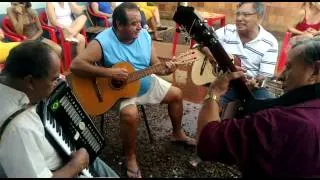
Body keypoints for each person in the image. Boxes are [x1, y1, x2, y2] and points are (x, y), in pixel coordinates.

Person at [70, 2, 195, 178]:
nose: (140, 27)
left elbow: (155, 64)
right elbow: (76, 65)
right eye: (134, 23)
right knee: (130, 115)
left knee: (177, 94)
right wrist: (109, 72)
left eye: (140, 22)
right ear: (119, 25)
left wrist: (167, 68)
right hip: (116, 92)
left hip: (144, 82)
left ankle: (177, 133)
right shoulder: (103, 41)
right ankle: (130, 156)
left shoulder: (144, 36)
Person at [196, 38, 320, 178]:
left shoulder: (285, 121)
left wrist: (214, 92)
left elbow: (207, 141)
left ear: (315, 71)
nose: (280, 77)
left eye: (289, 67)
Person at [0, 41, 119, 178]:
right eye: (54, 79)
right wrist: (77, 164)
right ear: (30, 82)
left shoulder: (11, 84)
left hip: (62, 149)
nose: (61, 81)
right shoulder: (20, 128)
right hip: (63, 167)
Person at [201, 2, 279, 106]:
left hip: (251, 89)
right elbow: (203, 44)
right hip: (225, 83)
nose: (239, 18)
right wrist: (216, 59)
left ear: (259, 18)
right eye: (238, 14)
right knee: (211, 106)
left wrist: (253, 83)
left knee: (267, 108)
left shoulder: (270, 42)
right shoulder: (227, 30)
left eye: (246, 15)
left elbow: (264, 76)